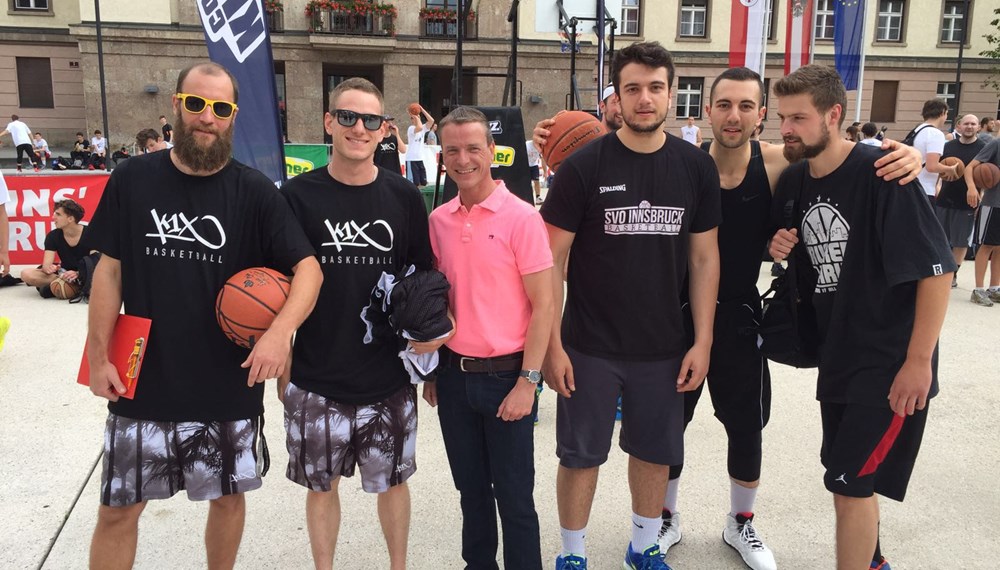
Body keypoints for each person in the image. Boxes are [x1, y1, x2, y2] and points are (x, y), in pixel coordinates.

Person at [659, 67, 922, 570]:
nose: (733, 115)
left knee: (747, 426)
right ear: (706, 110)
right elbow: (616, 152)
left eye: (745, 106)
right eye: (723, 104)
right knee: (670, 423)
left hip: (739, 315)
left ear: (761, 116)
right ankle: (667, 516)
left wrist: (906, 154)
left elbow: (844, 151)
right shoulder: (681, 164)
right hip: (679, 316)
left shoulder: (781, 162)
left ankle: (741, 523)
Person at [85, 61, 322, 570]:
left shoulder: (254, 191)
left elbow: (309, 271)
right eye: (196, 104)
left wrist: (280, 334)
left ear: (232, 116)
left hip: (225, 381)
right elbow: (109, 272)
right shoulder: (133, 177)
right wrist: (99, 355)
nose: (206, 117)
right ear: (176, 106)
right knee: (117, 511)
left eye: (219, 108)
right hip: (143, 378)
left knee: (227, 500)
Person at [541, 41, 721, 570]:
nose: (645, 98)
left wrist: (703, 341)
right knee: (580, 455)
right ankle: (572, 554)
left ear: (672, 94)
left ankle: (644, 545)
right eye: (633, 88)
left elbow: (705, 259)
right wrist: (551, 344)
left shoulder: (695, 167)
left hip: (664, 344)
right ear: (615, 98)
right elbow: (550, 259)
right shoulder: (582, 167)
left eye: (656, 88)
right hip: (588, 343)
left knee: (653, 452)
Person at [768, 64, 954, 570]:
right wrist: (775, 243)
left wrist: (920, 362)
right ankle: (872, 561)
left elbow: (936, 272)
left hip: (889, 363)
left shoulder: (885, 174)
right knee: (848, 475)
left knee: (848, 483)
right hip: (839, 357)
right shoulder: (794, 179)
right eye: (782, 117)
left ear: (834, 114)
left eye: (799, 117)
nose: (786, 128)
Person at [279, 77, 435, 570]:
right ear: (329, 122)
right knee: (322, 487)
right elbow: (278, 286)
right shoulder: (296, 196)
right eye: (347, 117)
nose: (358, 128)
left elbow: (425, 279)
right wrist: (283, 366)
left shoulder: (404, 197)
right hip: (315, 373)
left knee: (393, 482)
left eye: (370, 120)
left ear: (385, 129)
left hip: (386, 375)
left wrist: (427, 356)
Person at [423, 106, 554, 570]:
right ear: (443, 156)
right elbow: (441, 303)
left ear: (493, 152)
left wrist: (529, 381)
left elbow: (545, 304)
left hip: (507, 377)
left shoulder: (522, 218)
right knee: (471, 492)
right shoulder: (438, 220)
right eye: (452, 149)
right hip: (455, 378)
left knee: (516, 498)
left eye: (473, 148)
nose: (463, 159)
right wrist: (433, 370)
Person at [934, 114, 985, 288]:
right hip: (944, 199)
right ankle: (941, 270)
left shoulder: (983, 148)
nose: (969, 127)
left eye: (973, 124)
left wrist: (981, 201)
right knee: (940, 238)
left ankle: (953, 274)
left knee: (960, 241)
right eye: (966, 124)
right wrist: (937, 187)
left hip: (967, 202)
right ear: (959, 126)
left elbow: (986, 180)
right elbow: (939, 172)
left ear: (978, 127)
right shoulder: (947, 146)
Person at [19, 199, 94, 298]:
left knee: (105, 277)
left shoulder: (91, 234)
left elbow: (96, 262)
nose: (53, 217)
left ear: (70, 219)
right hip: (63, 274)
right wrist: (49, 268)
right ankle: (71, 286)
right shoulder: (53, 236)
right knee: (26, 274)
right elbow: (46, 265)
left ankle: (66, 286)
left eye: (58, 214)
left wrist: (79, 273)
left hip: (86, 273)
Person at [963, 137, 1000, 306]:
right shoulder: (996, 143)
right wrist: (972, 187)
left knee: (999, 248)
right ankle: (978, 290)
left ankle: (994, 288)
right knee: (986, 246)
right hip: (993, 204)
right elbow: (970, 167)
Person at [912, 99, 958, 200]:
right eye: (946, 114)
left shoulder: (916, 130)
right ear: (942, 113)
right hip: (923, 189)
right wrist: (949, 169)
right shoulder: (935, 134)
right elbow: (931, 166)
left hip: (910, 185)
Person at [405, 104, 435, 187]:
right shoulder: (411, 128)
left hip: (420, 159)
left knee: (423, 183)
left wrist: (422, 109)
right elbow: (419, 128)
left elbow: (431, 120)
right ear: (412, 119)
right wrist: (415, 116)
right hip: (412, 159)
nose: (417, 118)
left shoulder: (423, 128)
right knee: (414, 184)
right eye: (414, 117)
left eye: (418, 117)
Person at [526, 138, 544, 204]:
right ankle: (528, 197)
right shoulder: (527, 144)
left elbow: (543, 160)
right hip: (526, 165)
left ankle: (538, 197)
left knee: (537, 181)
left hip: (534, 165)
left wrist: (545, 172)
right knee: (528, 183)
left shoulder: (541, 147)